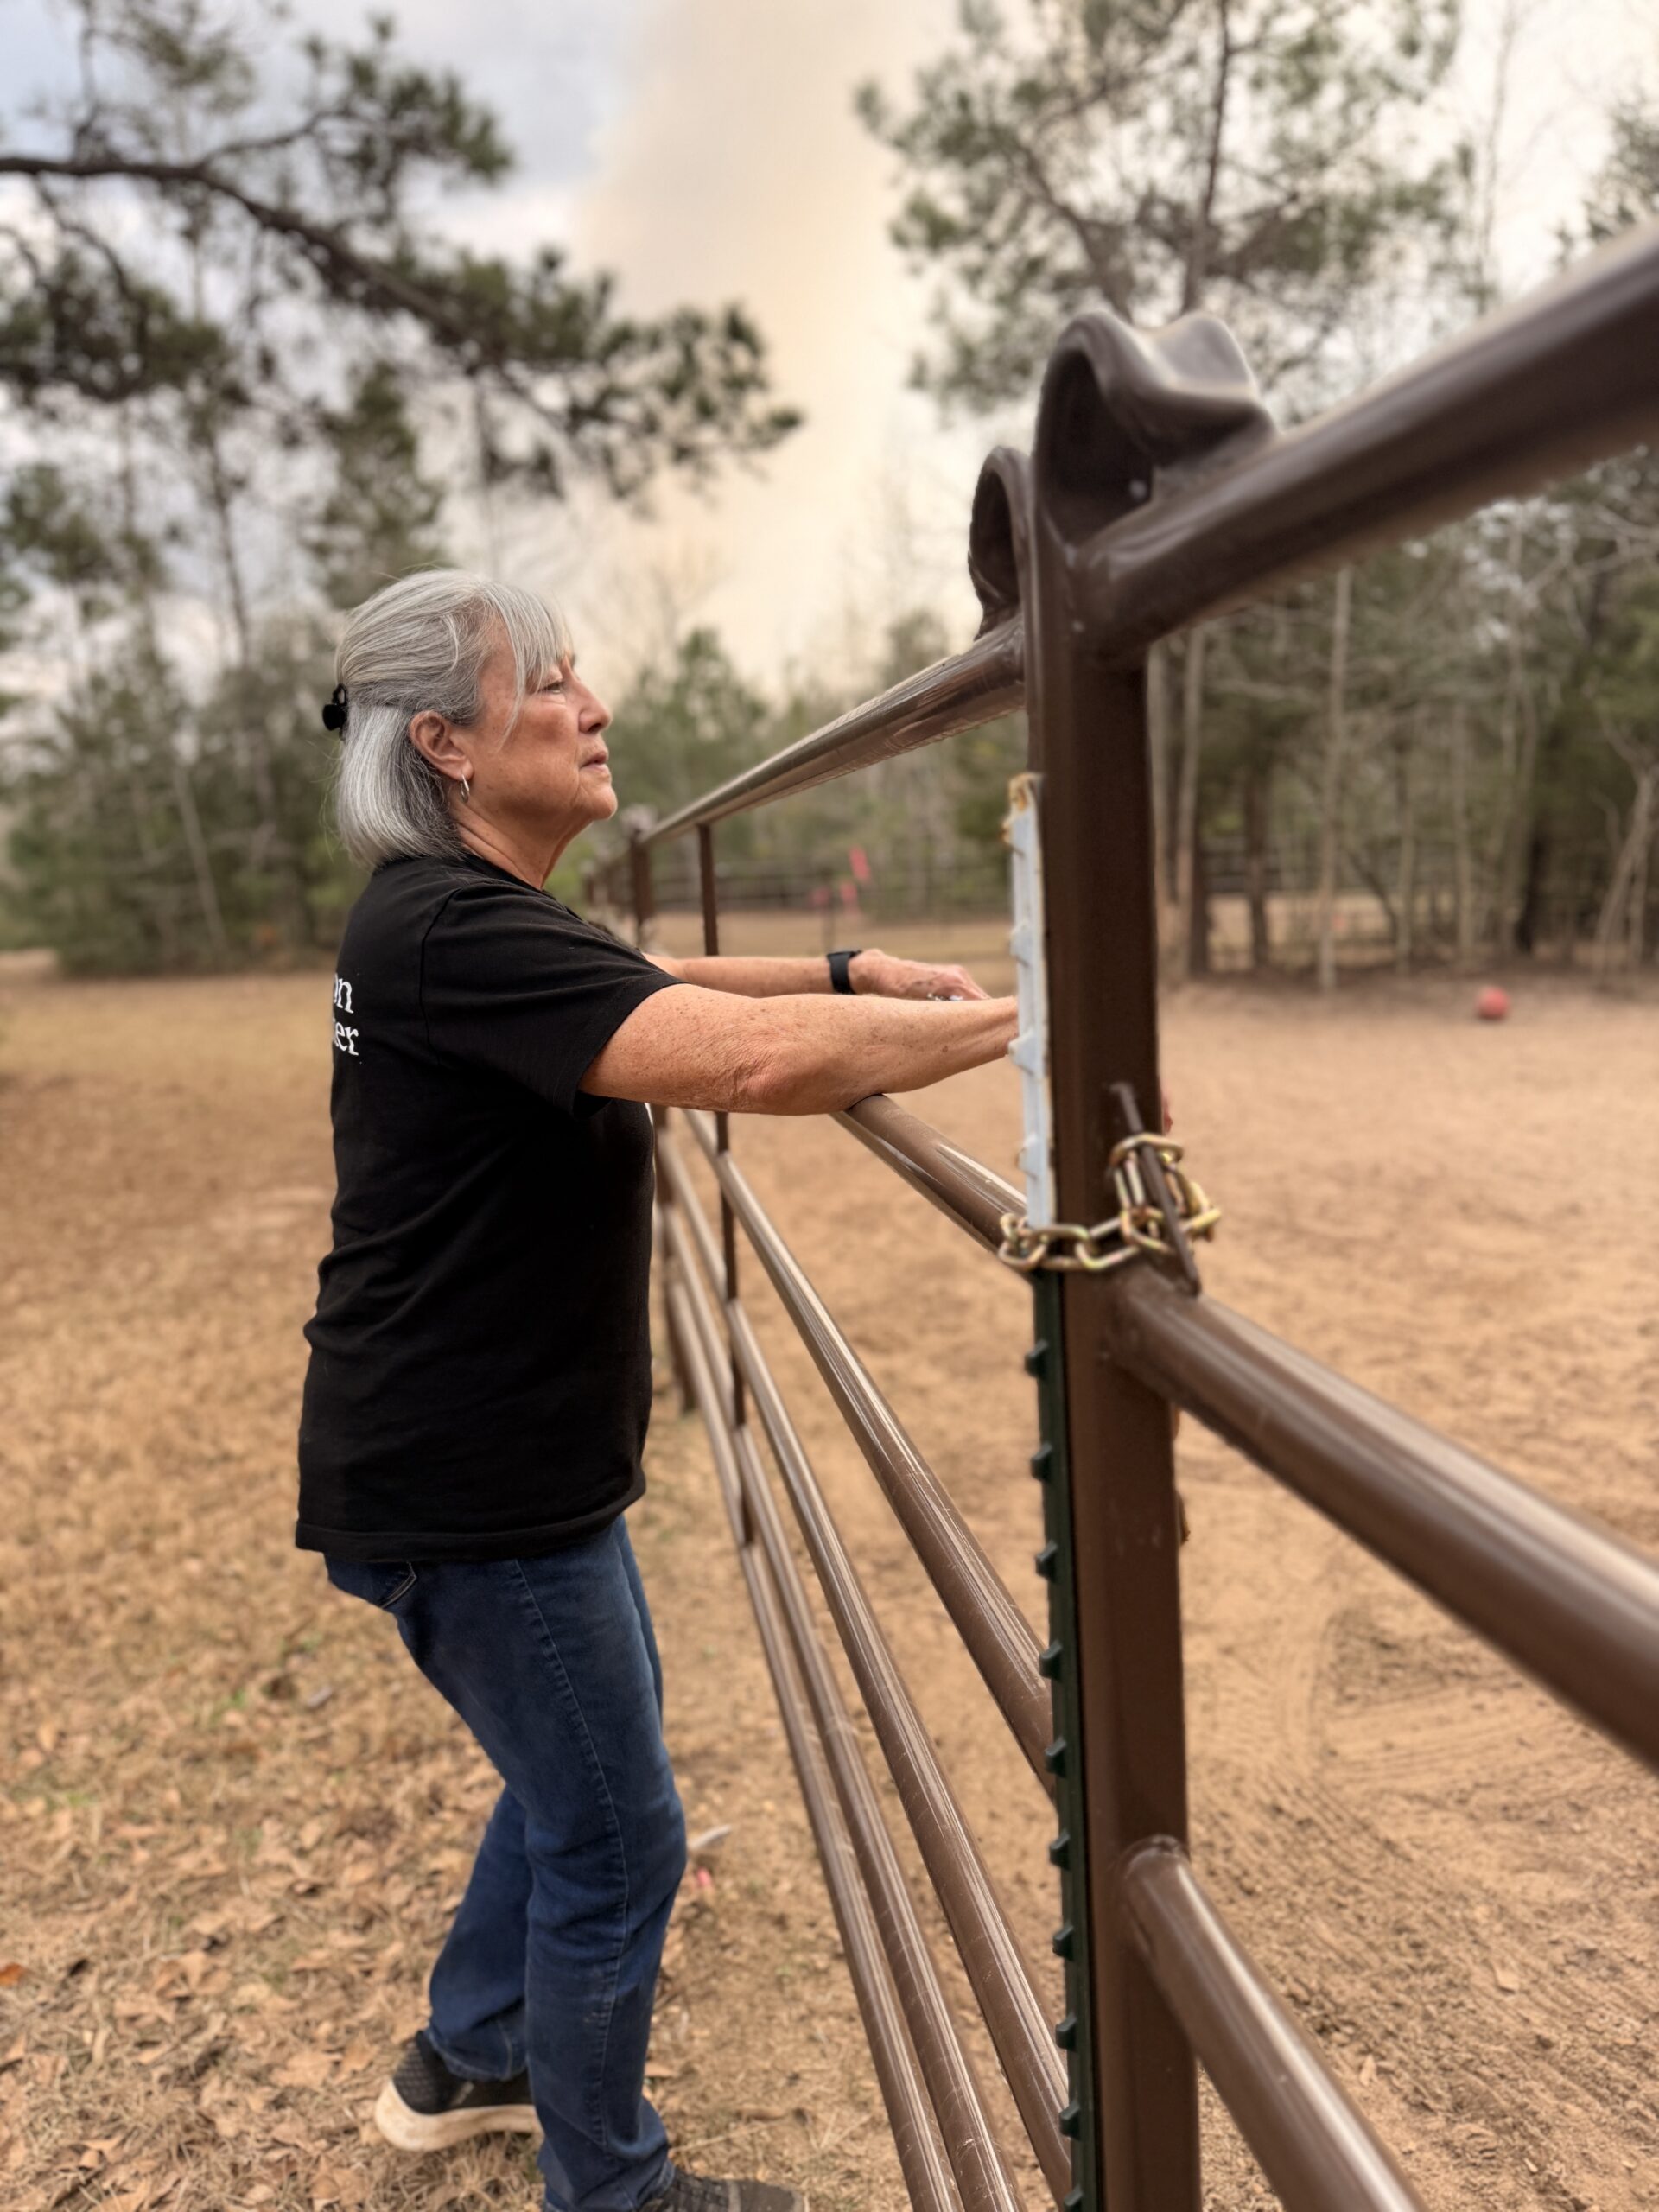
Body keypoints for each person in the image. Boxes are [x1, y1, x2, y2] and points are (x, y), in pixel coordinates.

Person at [296, 571, 1016, 2212]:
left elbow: (663, 975)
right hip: (478, 1494)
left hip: (478, 1465)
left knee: (573, 1779)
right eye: (545, 681)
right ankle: (610, 2191)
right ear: (451, 746)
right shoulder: (449, 929)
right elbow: (741, 1064)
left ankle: (468, 2057)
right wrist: (1029, 1015)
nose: (590, 700)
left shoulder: (461, 915)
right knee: (621, 1836)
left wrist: (850, 966)